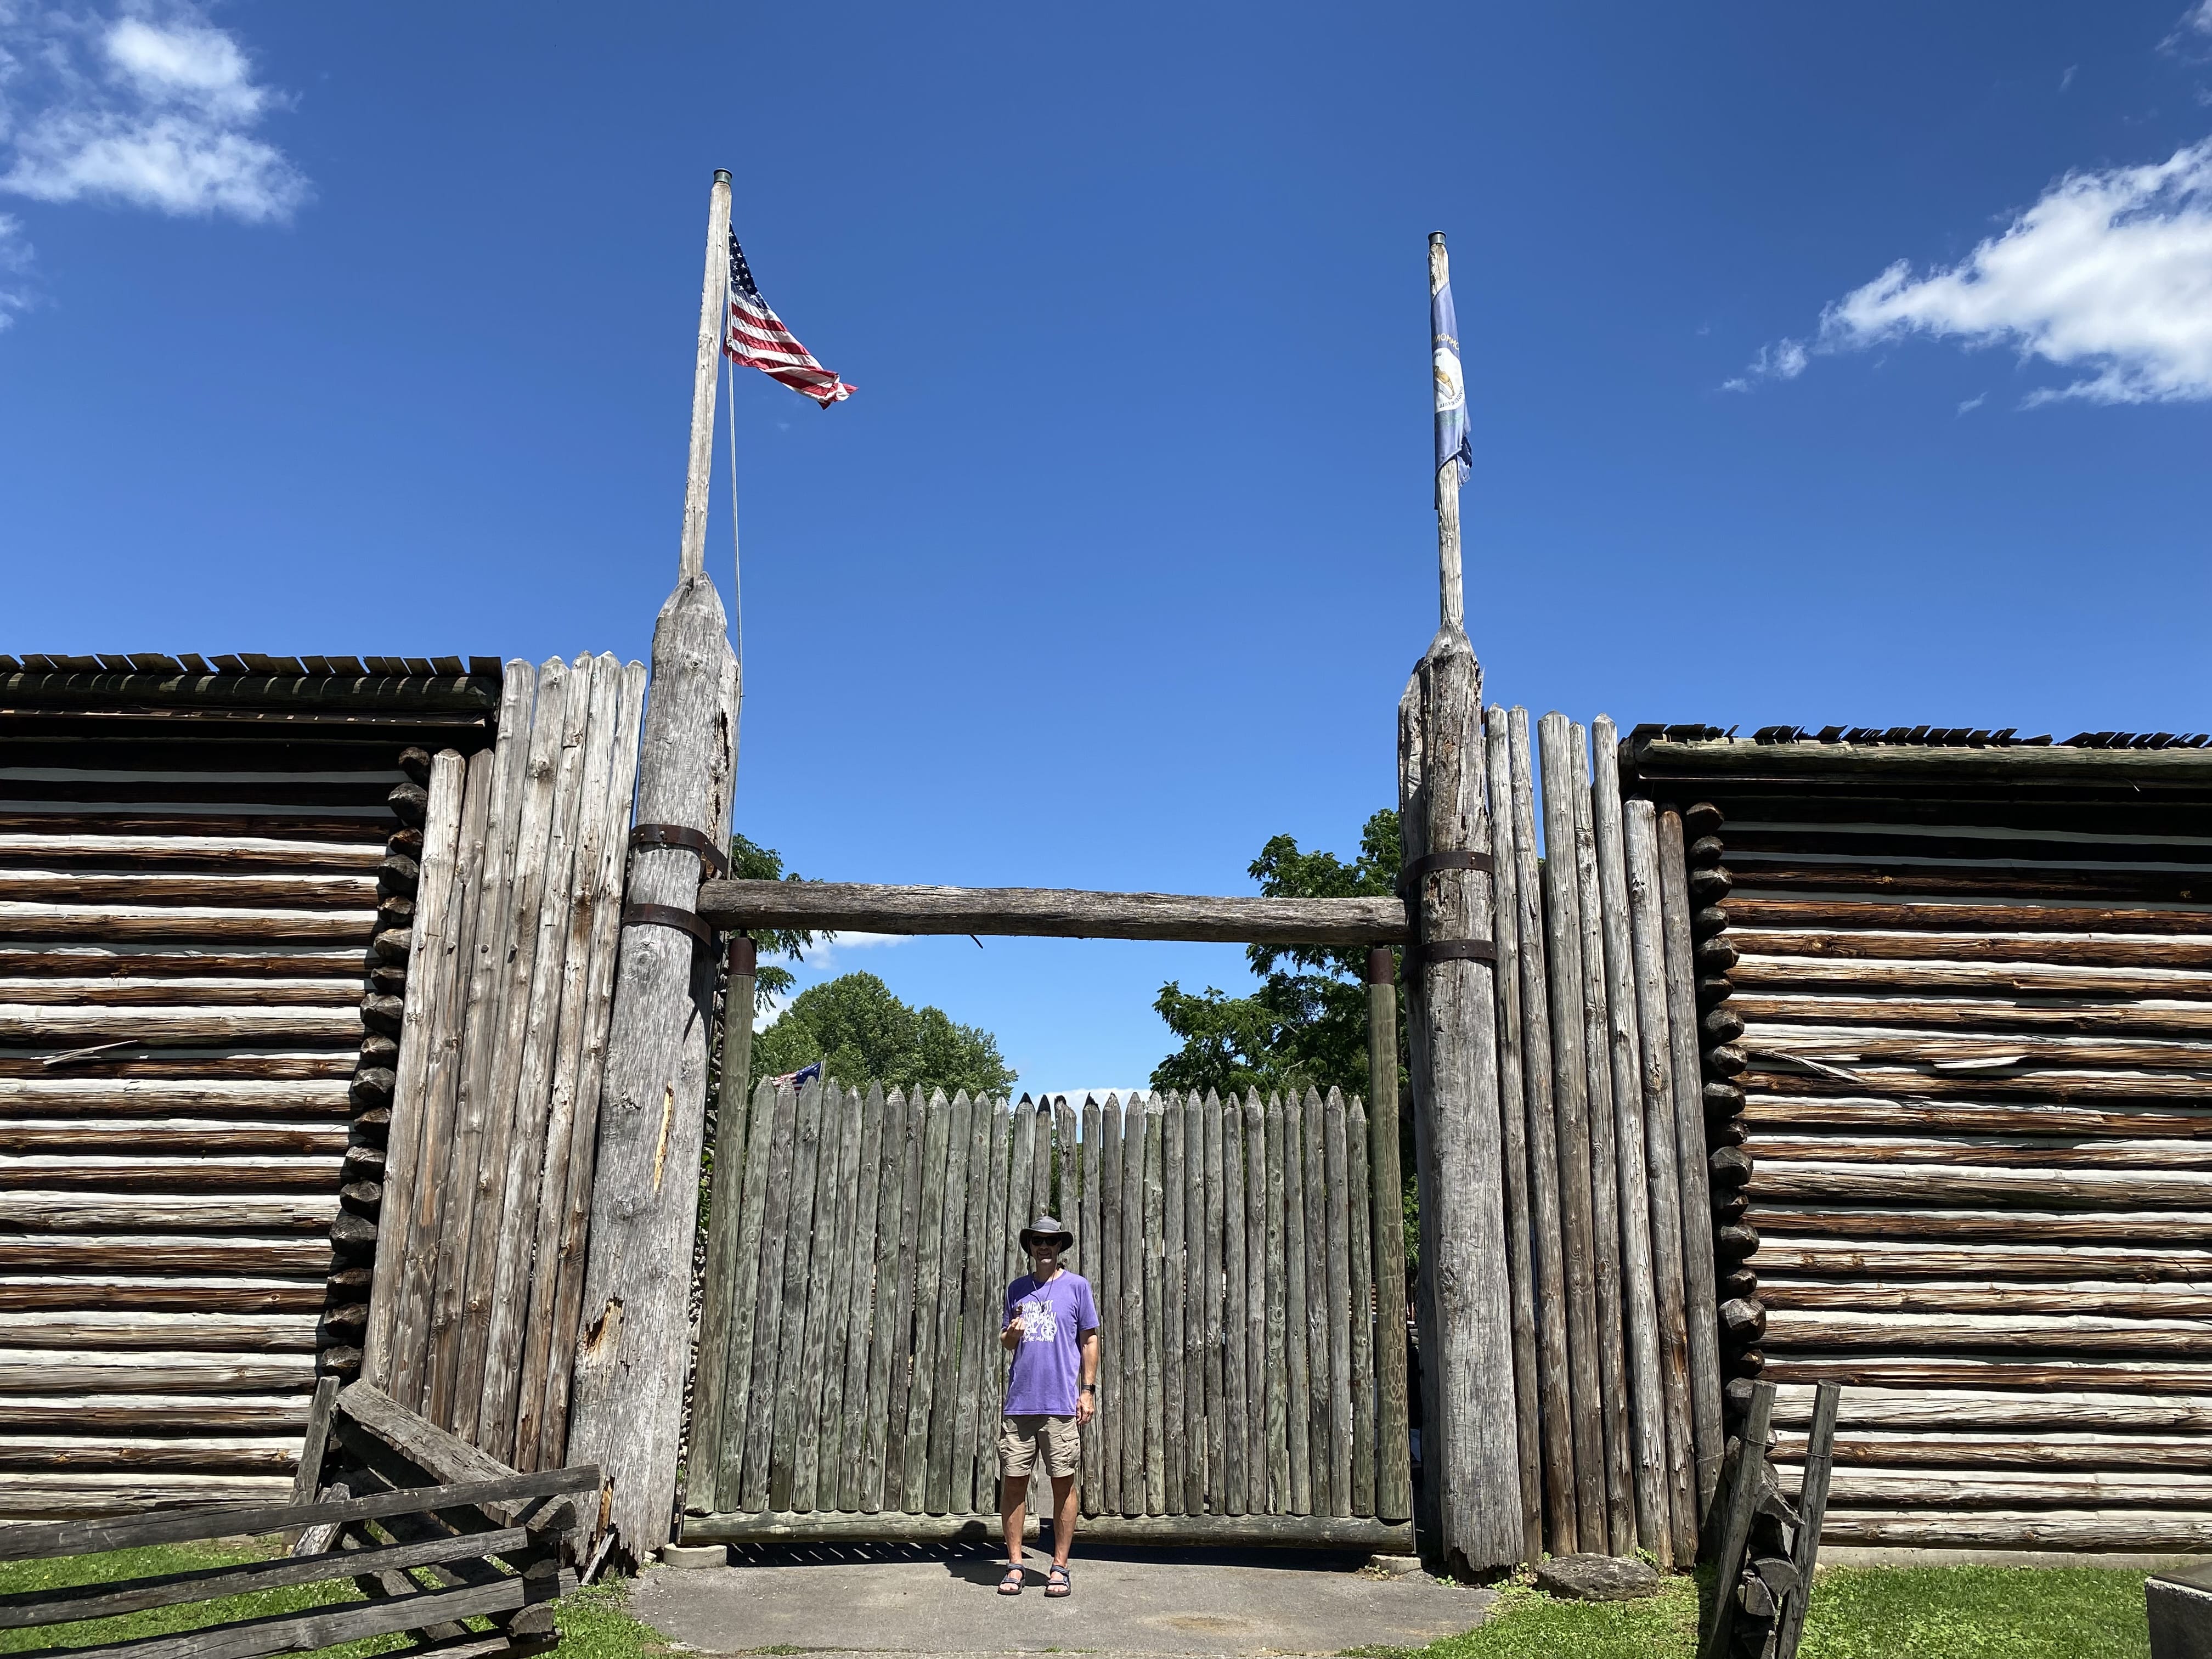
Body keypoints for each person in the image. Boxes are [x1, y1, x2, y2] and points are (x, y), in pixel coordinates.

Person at [996, 1214, 1098, 1599]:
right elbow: (1007, 1341)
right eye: (1037, 1241)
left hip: (1059, 1404)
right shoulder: (1017, 1290)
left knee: (1063, 1485)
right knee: (1015, 1485)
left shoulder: (1077, 1288)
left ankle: (1060, 1566)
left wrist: (1087, 1391)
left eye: (1050, 1242)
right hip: (1020, 1405)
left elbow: (1089, 1340)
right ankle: (1016, 1564)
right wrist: (1012, 1333)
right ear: (1030, 1246)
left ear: (1059, 1248)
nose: (1044, 1246)